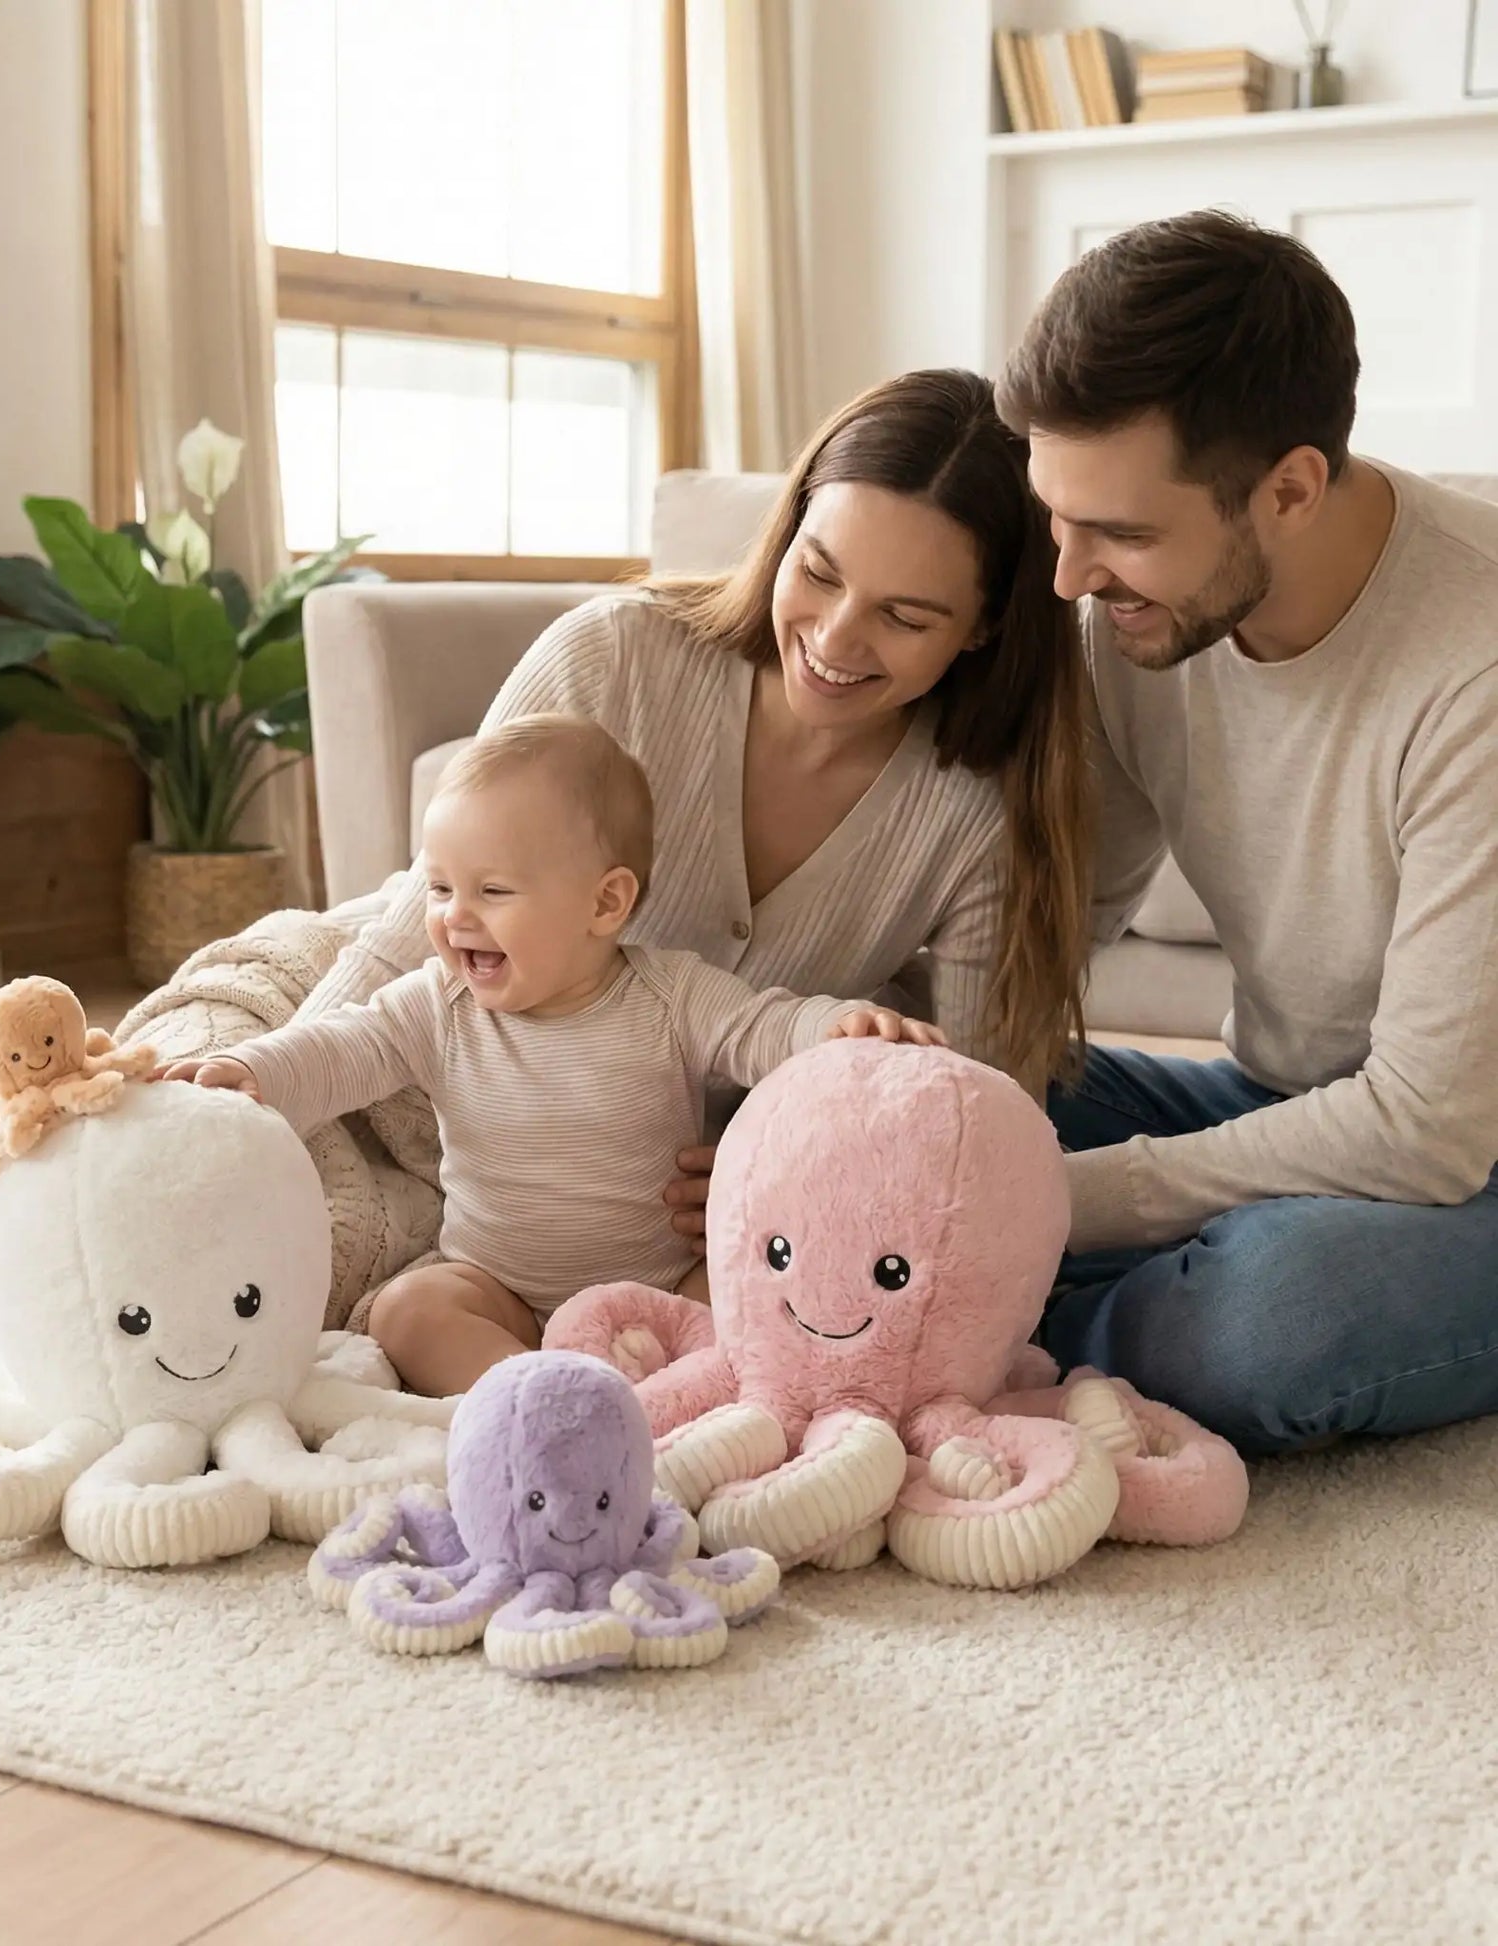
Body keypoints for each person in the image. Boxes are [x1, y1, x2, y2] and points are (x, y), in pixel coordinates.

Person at [297, 369, 1096, 1291]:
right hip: (448, 1081)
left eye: (903, 617)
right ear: (786, 531)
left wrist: (789, 1161)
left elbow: (967, 1104)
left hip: (667, 1215)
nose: (835, 641)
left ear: (984, 628)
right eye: (819, 572)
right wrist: (249, 1109)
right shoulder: (615, 655)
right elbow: (414, 928)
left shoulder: (979, 808)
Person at [994, 209, 1498, 1456]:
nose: (1067, 576)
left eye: (1118, 531)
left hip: (1462, 1160)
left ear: (1288, 487)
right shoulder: (1130, 626)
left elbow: (1427, 1128)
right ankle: (970, 1302)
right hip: (1278, 1093)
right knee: (901, 1101)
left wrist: (1040, 1205)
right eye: (1054, 517)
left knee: (1280, 1309)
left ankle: (962, 1327)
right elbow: (1054, 927)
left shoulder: (1473, 663)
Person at [165, 716, 935, 1395]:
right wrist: (253, 1071)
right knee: (409, 1310)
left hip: (660, 1292)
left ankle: (661, 1389)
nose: (454, 918)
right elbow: (341, 1050)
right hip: (501, 1294)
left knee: (750, 1293)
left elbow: (768, 1028)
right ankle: (534, 1392)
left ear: (605, 903)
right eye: (438, 888)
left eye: (492, 891)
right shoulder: (438, 1005)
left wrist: (840, 1028)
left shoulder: (673, 997)